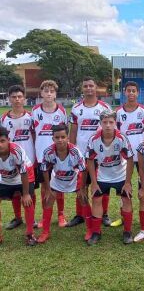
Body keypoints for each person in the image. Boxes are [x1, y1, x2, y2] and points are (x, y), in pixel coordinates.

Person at [85, 110, 134, 245]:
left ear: (115, 123)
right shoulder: (93, 139)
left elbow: (130, 159)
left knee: (126, 199)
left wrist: (128, 182)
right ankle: (96, 232)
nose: (107, 125)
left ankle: (127, 231)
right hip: (102, 176)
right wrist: (94, 183)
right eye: (105, 122)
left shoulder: (122, 138)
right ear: (100, 123)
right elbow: (89, 160)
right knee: (96, 200)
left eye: (111, 122)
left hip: (121, 175)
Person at [68, 77, 112, 228]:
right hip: (81, 153)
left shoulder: (105, 107)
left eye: (91, 86)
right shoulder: (76, 108)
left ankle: (104, 214)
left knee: (102, 184)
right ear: (82, 89)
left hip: (101, 153)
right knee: (82, 184)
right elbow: (73, 131)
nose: (88, 88)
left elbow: (110, 130)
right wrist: (72, 150)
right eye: (85, 86)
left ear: (96, 88)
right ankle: (80, 214)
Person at [37, 124, 89, 243]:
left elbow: (83, 170)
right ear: (53, 138)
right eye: (57, 137)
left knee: (84, 199)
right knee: (48, 201)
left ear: (67, 138)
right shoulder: (48, 151)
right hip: (57, 180)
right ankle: (45, 232)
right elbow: (44, 170)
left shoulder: (75, 151)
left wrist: (82, 188)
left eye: (63, 137)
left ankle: (90, 229)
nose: (60, 140)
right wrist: (48, 189)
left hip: (74, 180)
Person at [113, 81, 144, 227]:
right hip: (124, 156)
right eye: (128, 90)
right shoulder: (118, 112)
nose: (131, 93)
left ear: (138, 93)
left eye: (133, 91)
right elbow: (115, 133)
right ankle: (123, 215)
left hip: (143, 154)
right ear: (124, 92)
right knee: (124, 185)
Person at [32, 80, 68, 228]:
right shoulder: (35, 111)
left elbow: (65, 133)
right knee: (45, 188)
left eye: (51, 91)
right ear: (41, 93)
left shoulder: (61, 111)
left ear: (55, 94)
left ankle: (61, 215)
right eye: (46, 91)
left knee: (58, 186)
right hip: (41, 156)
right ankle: (44, 216)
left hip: (58, 156)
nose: (48, 94)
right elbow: (33, 133)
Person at [1, 85, 36, 230]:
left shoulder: (31, 117)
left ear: (24, 99)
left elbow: (35, 137)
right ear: (9, 99)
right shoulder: (3, 119)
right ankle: (17, 217)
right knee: (14, 190)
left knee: (29, 191)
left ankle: (31, 219)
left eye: (19, 97)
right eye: (14, 97)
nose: (17, 100)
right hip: (9, 159)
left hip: (28, 160)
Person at [0, 126, 36, 246]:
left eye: (2, 141)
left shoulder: (16, 150)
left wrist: (25, 194)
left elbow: (24, 172)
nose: (0, 145)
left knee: (28, 201)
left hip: (24, 176)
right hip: (5, 178)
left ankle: (30, 234)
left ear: (8, 140)